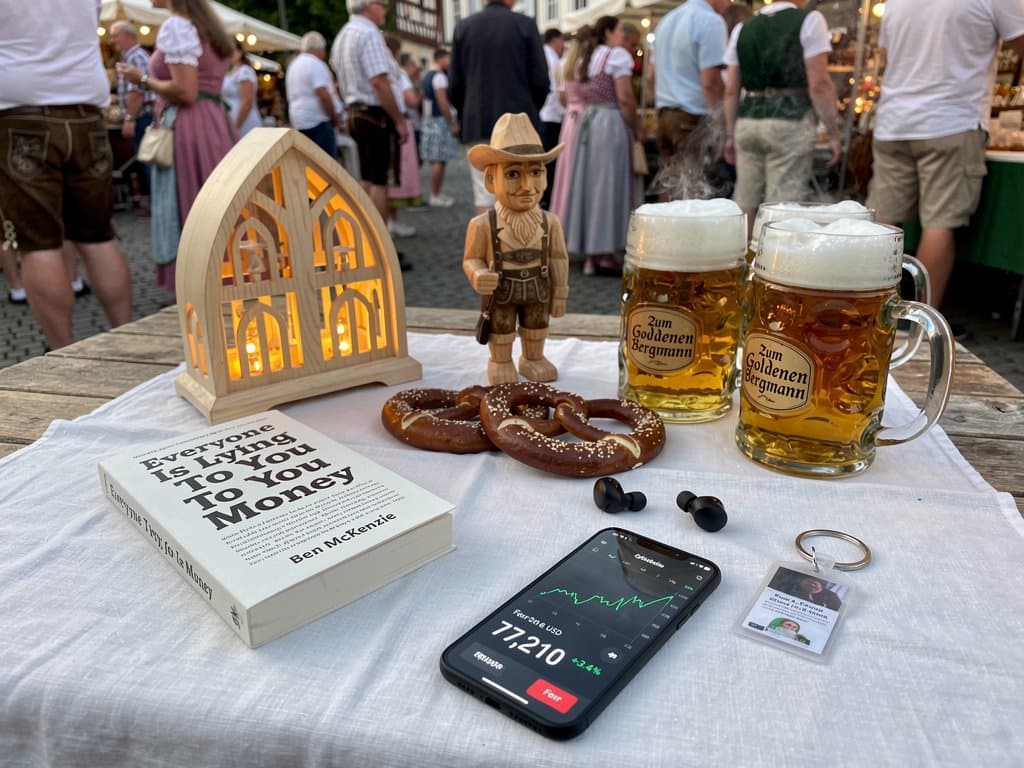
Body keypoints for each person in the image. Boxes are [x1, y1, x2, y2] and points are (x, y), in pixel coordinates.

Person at [866, 0, 1024, 311]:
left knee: (883, 223)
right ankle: (923, 328)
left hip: (894, 122)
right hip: (951, 121)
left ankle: (870, 314)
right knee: (938, 223)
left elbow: (886, 57)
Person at [1, 0, 133, 350]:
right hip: (86, 112)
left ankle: (63, 351)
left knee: (37, 244)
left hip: (20, 112)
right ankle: (129, 338)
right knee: (97, 238)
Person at [117, 0, 237, 296]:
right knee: (217, 201)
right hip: (213, 122)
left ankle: (204, 285)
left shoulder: (177, 26)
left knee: (193, 203)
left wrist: (142, 79)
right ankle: (226, 275)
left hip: (189, 125)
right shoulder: (206, 27)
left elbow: (186, 90)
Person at [463, 113, 568, 385]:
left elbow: (558, 258)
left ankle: (532, 358)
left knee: (536, 326)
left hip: (539, 288)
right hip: (501, 291)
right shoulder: (482, 224)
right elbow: (471, 258)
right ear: (490, 180)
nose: (526, 186)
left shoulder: (550, 222)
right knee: (501, 328)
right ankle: (501, 361)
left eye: (535, 172)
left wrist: (559, 295)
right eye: (512, 174)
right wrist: (478, 274)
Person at [722, 0, 841, 239]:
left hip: (748, 121)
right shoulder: (810, 20)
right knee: (782, 207)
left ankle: (741, 263)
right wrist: (833, 132)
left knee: (745, 202)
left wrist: (728, 134)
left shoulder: (742, 28)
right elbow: (818, 83)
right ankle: (774, 269)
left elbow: (731, 90)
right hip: (790, 120)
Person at [448, 0, 550, 214]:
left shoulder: (464, 27)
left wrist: (467, 111)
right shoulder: (525, 25)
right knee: (523, 189)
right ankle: (520, 246)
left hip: (477, 121)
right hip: (519, 125)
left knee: (484, 193)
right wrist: (529, 113)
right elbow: (541, 81)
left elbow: (455, 85)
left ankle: (488, 247)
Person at [560, 17, 641, 276]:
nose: (620, 34)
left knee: (589, 186)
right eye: (618, 29)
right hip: (609, 122)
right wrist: (636, 126)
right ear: (608, 32)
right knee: (608, 186)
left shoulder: (588, 55)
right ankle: (605, 252)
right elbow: (626, 98)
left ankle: (590, 255)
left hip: (589, 121)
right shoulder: (616, 56)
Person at [331, 1, 412, 238]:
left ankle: (363, 239)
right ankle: (380, 245)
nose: (385, 9)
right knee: (379, 181)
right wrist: (398, 119)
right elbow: (378, 80)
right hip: (376, 114)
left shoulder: (343, 36)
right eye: (382, 4)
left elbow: (337, 82)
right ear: (369, 6)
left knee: (366, 178)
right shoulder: (369, 34)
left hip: (355, 110)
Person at [651, 0, 730, 196]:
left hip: (665, 112)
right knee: (693, 192)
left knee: (671, 187)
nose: (729, 3)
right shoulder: (711, 21)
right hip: (692, 115)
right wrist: (722, 124)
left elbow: (650, 76)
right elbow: (710, 82)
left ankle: (663, 227)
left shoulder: (667, 20)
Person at [111, 20, 156, 216]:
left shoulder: (135, 57)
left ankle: (157, 206)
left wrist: (129, 118)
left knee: (146, 161)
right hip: (142, 115)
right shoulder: (134, 55)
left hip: (142, 116)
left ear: (126, 35)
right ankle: (153, 204)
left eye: (115, 35)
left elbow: (137, 92)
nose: (113, 40)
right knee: (144, 161)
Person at [384, 34, 421, 237]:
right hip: (399, 121)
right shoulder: (396, 71)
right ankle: (393, 221)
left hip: (384, 120)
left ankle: (390, 220)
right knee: (398, 172)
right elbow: (411, 100)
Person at [286, 32, 344, 157]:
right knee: (327, 165)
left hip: (299, 121)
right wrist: (334, 118)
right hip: (318, 121)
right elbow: (323, 94)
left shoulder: (293, 65)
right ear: (319, 48)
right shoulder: (315, 63)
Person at [420, 48, 460, 208]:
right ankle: (435, 194)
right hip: (439, 121)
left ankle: (436, 192)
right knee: (439, 159)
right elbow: (443, 102)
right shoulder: (439, 78)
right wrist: (452, 123)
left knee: (435, 159)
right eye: (448, 58)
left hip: (429, 120)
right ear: (441, 58)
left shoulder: (427, 76)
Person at [539, 29, 565, 209]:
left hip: (545, 114)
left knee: (545, 160)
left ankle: (544, 196)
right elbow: (557, 90)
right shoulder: (553, 59)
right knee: (550, 162)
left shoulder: (544, 55)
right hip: (552, 115)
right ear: (556, 40)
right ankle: (546, 197)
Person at [223, 40, 261, 138]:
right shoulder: (230, 73)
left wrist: (235, 126)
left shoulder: (244, 71)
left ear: (240, 52)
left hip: (244, 123)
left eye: (232, 50)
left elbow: (247, 101)